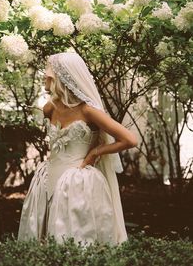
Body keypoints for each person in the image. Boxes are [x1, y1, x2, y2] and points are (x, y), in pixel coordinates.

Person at [18, 52, 137, 245]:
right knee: (42, 235)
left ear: (62, 77)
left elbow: (129, 139)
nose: (44, 77)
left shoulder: (88, 111)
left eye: (48, 74)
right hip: (47, 178)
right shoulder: (50, 108)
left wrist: (95, 153)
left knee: (76, 236)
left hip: (77, 181)